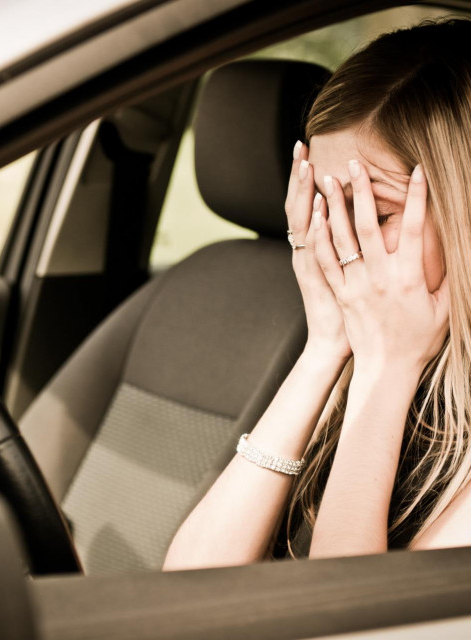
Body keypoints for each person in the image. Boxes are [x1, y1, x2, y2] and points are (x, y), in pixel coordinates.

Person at [162, 18, 471, 570]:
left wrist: (386, 367)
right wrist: (324, 347)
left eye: (376, 214)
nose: (338, 242)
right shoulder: (366, 348)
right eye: (324, 211)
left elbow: (352, 615)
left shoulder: (392, 358)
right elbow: (190, 582)